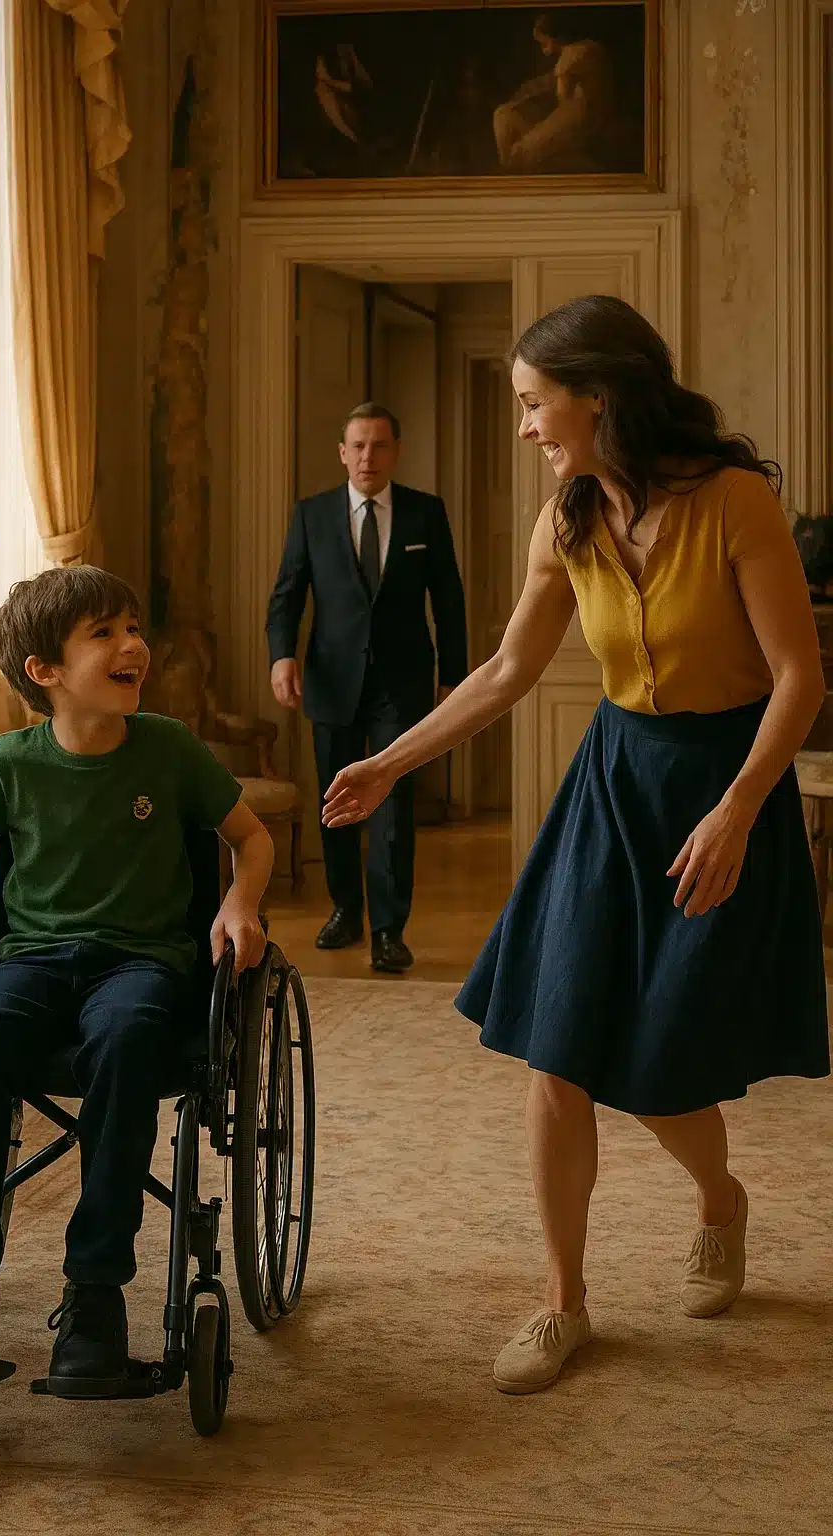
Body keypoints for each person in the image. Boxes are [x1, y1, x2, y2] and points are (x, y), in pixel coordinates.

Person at [322, 296, 830, 1393]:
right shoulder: (567, 518)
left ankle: (720, 1201)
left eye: (531, 402)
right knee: (555, 1049)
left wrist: (740, 807)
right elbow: (504, 673)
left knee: (655, 1069)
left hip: (721, 783)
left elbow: (799, 678)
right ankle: (562, 1303)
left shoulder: (735, 502)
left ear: (597, 394)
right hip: (614, 783)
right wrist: (388, 764)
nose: (523, 427)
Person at [0, 566, 273, 1396]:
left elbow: (251, 838)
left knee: (125, 1038)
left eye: (132, 627)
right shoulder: (12, 762)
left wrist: (240, 902)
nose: (134, 646)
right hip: (35, 962)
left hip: (143, 964)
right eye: (105, 634)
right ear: (44, 672)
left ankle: (95, 1298)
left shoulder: (170, 749)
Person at [266, 403, 467, 974]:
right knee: (337, 801)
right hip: (330, 681)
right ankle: (344, 911)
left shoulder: (425, 514)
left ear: (394, 451)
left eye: (379, 445)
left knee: (392, 807)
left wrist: (454, 676)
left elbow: (448, 601)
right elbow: (288, 594)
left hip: (401, 687)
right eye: (357, 446)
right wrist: (282, 655)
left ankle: (387, 929)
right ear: (342, 453)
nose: (367, 457)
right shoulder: (313, 514)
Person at [493, 12, 614, 175]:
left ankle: (511, 173)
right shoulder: (591, 48)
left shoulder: (570, 56)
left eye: (544, 43)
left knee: (519, 148)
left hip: (576, 122)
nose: (544, 50)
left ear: (556, 37)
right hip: (592, 116)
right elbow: (548, 83)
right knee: (510, 119)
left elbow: (561, 96)